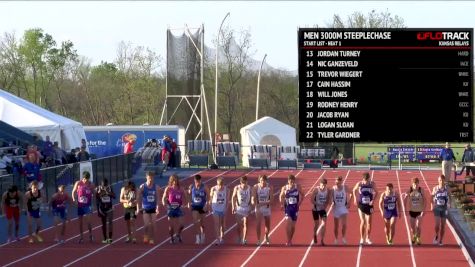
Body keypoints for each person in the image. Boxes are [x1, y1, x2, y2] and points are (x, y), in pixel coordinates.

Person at [353, 172, 378, 245]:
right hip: (361, 205)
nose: (366, 181)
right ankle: (361, 238)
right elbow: (354, 190)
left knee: (369, 223)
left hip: (369, 205)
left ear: (369, 178)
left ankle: (367, 238)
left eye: (367, 180)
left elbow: (377, 192)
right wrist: (355, 198)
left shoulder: (372, 184)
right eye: (365, 180)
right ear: (363, 179)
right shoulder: (360, 184)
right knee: (363, 221)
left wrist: (373, 200)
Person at [280, 174, 304, 246]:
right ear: (288, 181)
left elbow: (303, 195)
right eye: (290, 180)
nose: (291, 182)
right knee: (288, 222)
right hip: (288, 207)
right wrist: (282, 204)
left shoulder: (298, 187)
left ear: (294, 180)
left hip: (295, 208)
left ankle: (290, 239)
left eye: (292, 180)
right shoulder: (284, 188)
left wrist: (299, 203)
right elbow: (281, 196)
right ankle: (288, 240)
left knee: (293, 226)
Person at [137, 171, 161, 245]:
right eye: (149, 178)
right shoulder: (142, 186)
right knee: (146, 224)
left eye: (152, 178)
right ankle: (146, 235)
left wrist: (157, 208)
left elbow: (158, 198)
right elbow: (138, 197)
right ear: (146, 178)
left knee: (153, 224)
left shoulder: (156, 187)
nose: (150, 180)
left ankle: (152, 238)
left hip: (153, 208)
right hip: (146, 208)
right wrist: (138, 208)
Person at [71, 171, 95, 243]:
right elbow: (73, 192)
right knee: (80, 222)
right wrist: (74, 199)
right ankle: (81, 237)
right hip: (80, 205)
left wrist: (93, 204)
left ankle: (90, 235)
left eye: (87, 179)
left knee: (88, 222)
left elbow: (94, 194)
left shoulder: (91, 185)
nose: (85, 181)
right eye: (84, 179)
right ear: (82, 178)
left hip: (88, 205)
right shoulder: (78, 183)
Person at [162, 174, 186, 244]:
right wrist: (164, 204)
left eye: (176, 180)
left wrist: (186, 204)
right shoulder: (168, 188)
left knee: (182, 224)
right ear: (171, 181)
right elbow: (163, 197)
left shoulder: (181, 188)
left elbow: (186, 196)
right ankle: (172, 238)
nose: (175, 182)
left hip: (179, 207)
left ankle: (178, 234)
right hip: (171, 207)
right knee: (171, 226)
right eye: (174, 180)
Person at [252, 174, 273, 245]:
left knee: (267, 224)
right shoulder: (255, 187)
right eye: (261, 180)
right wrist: (253, 202)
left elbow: (272, 200)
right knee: (258, 223)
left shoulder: (269, 187)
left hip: (266, 207)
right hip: (258, 208)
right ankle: (258, 239)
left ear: (266, 181)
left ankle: (266, 236)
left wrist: (262, 203)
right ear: (259, 180)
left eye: (264, 180)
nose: (262, 182)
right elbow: (253, 197)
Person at [188, 174, 210, 244]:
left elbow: (209, 197)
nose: (198, 183)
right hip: (194, 206)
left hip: (202, 206)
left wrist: (207, 205)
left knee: (202, 224)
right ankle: (197, 237)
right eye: (196, 181)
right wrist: (189, 203)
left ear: (201, 180)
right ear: (194, 181)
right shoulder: (192, 187)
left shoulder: (204, 187)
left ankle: (203, 235)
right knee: (195, 221)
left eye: (199, 181)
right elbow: (188, 194)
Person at [404, 177, 426, 245]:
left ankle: (418, 238)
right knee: (412, 228)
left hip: (419, 211)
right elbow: (405, 200)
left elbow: (425, 201)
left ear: (418, 184)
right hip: (412, 211)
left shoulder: (421, 190)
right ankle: (414, 236)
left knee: (418, 226)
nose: (416, 186)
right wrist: (405, 210)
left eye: (417, 184)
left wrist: (423, 210)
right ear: (412, 184)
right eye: (414, 184)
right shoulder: (409, 190)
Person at [210, 176, 230, 245]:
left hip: (223, 209)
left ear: (223, 183)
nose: (220, 186)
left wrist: (226, 209)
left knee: (223, 225)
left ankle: (222, 237)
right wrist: (210, 206)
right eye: (219, 184)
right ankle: (217, 239)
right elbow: (210, 198)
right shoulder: (213, 189)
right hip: (215, 209)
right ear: (217, 183)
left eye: (221, 184)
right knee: (217, 224)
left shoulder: (227, 190)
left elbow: (227, 200)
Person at [311, 178, 331, 246]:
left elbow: (328, 199)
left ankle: (322, 240)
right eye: (322, 185)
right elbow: (311, 200)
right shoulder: (316, 190)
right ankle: (314, 234)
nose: (323, 187)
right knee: (316, 224)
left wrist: (325, 206)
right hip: (315, 209)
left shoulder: (327, 190)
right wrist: (318, 204)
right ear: (320, 184)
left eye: (324, 185)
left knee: (324, 223)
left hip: (322, 209)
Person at [232, 175, 252, 245]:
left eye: (245, 182)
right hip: (239, 208)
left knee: (246, 223)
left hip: (246, 207)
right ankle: (239, 237)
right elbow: (233, 197)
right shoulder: (237, 188)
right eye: (243, 182)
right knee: (238, 225)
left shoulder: (249, 188)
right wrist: (233, 206)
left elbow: (252, 197)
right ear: (240, 182)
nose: (244, 184)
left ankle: (244, 239)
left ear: (247, 182)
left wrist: (251, 206)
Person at [332, 176, 351, 245]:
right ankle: (336, 239)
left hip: (343, 207)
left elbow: (352, 193)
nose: (337, 183)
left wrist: (349, 202)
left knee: (344, 225)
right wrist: (332, 202)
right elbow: (330, 198)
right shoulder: (333, 189)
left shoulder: (345, 187)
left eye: (339, 181)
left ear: (341, 181)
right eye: (336, 181)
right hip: (336, 208)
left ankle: (343, 238)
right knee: (336, 226)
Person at [431, 174, 450, 246]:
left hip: (444, 208)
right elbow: (431, 196)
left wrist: (449, 204)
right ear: (438, 181)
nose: (441, 182)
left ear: (444, 181)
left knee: (443, 226)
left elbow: (450, 197)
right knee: (437, 225)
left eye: (442, 180)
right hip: (437, 208)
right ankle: (436, 235)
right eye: (440, 180)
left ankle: (441, 240)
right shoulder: (435, 188)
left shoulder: (447, 189)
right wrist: (431, 205)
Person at [96, 178, 115, 244]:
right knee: (103, 224)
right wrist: (98, 211)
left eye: (105, 185)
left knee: (110, 222)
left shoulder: (109, 188)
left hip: (109, 208)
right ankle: (104, 238)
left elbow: (114, 196)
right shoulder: (98, 189)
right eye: (103, 185)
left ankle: (110, 238)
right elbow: (96, 199)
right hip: (102, 209)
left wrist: (108, 192)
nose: (104, 187)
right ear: (101, 184)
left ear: (107, 184)